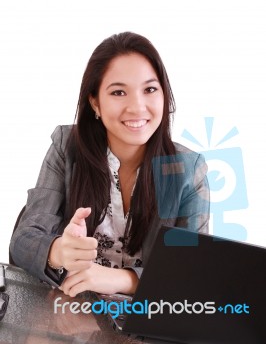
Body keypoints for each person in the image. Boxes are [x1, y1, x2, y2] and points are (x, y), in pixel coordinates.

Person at [10, 32, 210, 297]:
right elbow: (23, 240)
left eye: (150, 89)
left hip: (147, 324)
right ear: (95, 102)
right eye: (118, 92)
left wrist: (119, 280)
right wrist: (59, 251)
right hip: (68, 315)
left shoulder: (188, 170)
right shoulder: (66, 146)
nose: (137, 107)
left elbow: (192, 274)